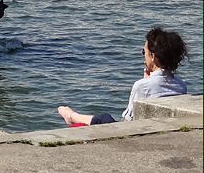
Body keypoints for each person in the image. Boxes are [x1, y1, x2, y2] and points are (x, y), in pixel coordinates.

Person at [58, 27, 188, 126]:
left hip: (137, 133)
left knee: (104, 118)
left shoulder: (141, 86)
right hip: (162, 127)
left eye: (145, 52)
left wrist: (144, 82)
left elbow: (127, 120)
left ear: (153, 56)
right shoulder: (181, 84)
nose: (143, 55)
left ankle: (71, 116)